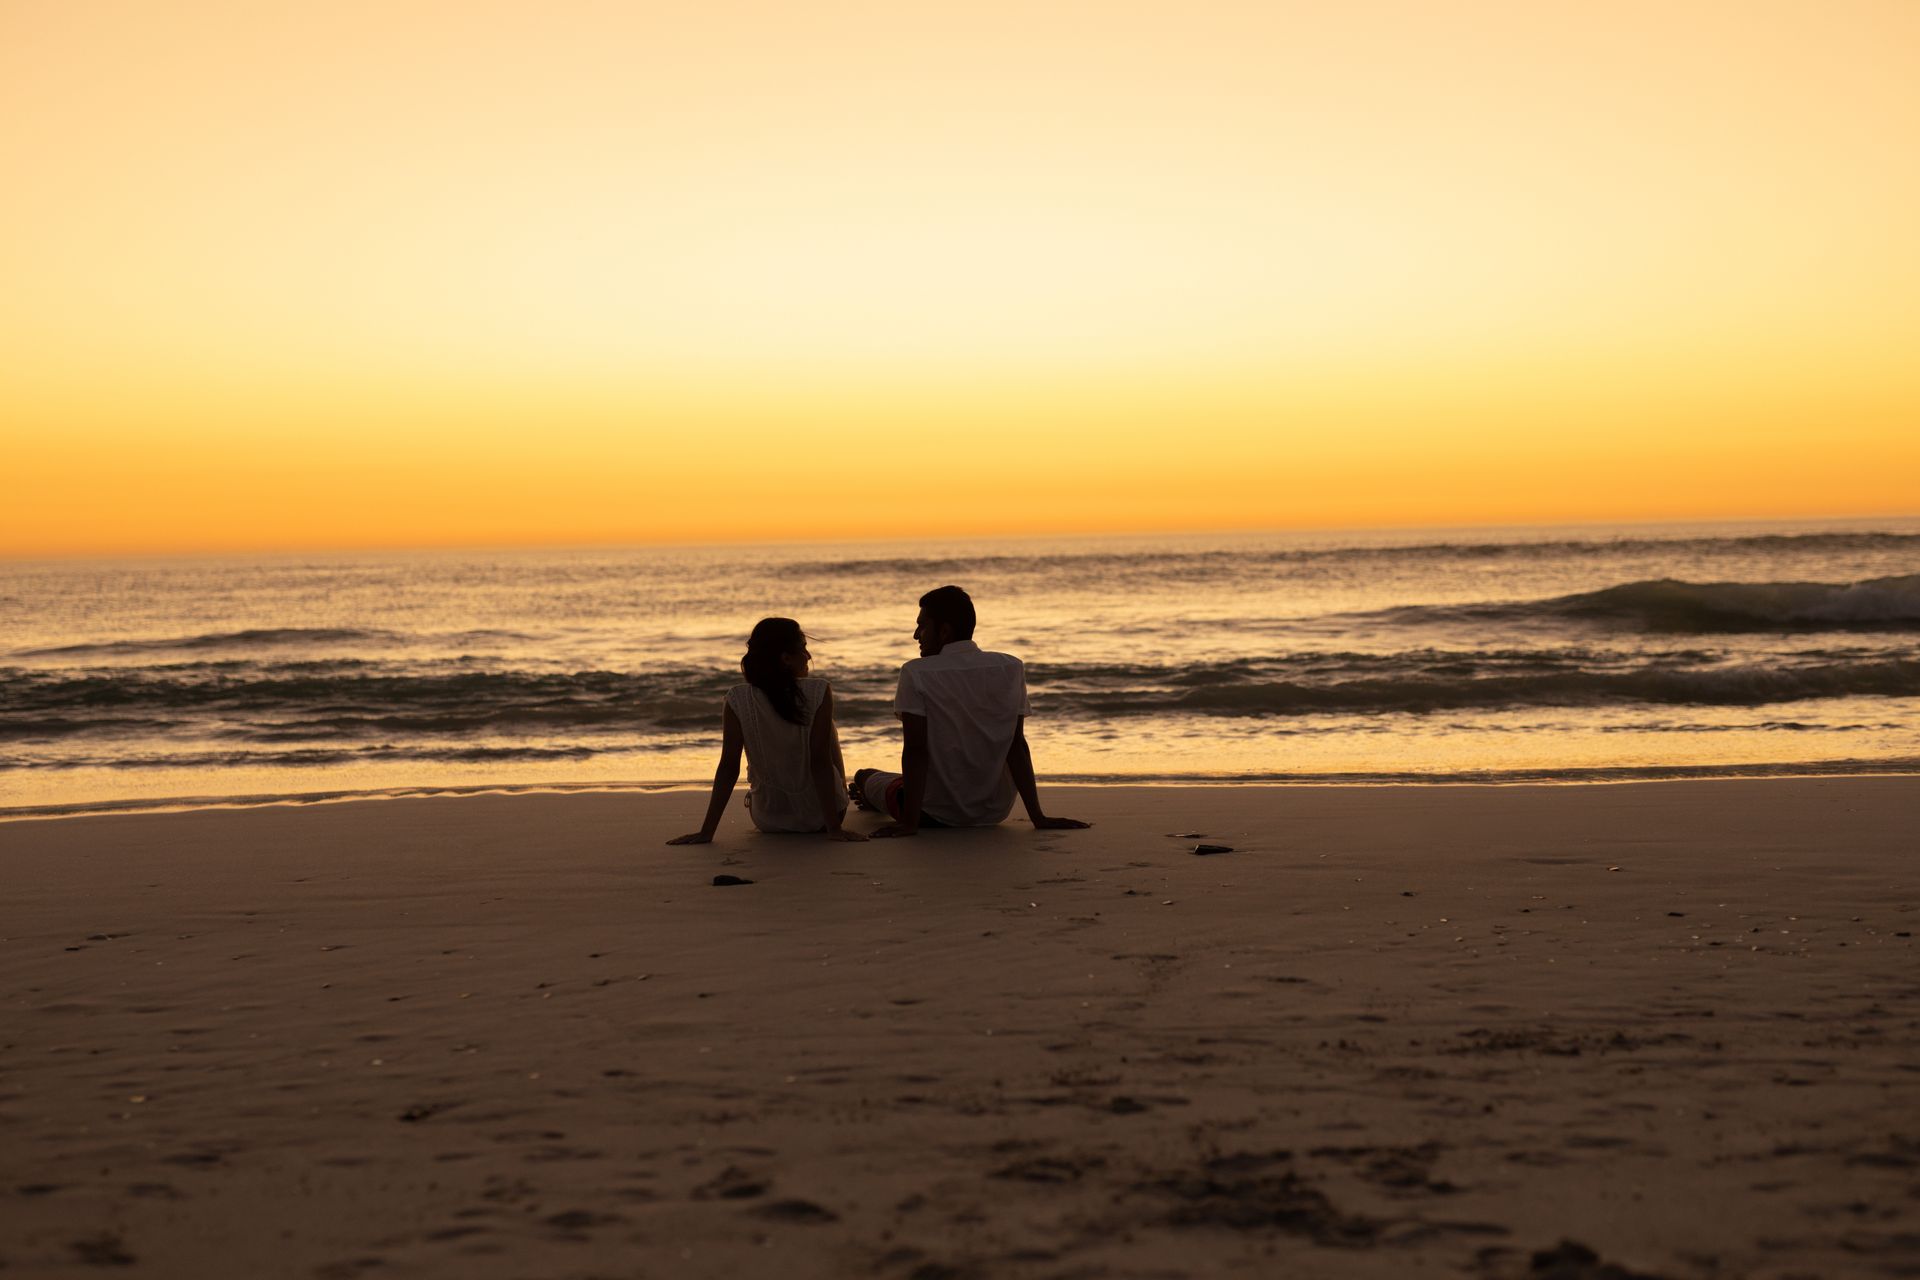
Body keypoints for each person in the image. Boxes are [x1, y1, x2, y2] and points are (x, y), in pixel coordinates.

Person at [851, 585, 1089, 838]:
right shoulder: (1010, 667)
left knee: (865, 776)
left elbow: (915, 750)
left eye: (922, 626)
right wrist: (1038, 817)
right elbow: (1016, 746)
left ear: (944, 631)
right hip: (993, 812)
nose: (915, 635)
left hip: (931, 813)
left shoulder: (916, 672)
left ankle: (869, 791)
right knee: (897, 779)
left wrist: (909, 823)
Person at [668, 618, 866, 844]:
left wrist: (706, 832)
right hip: (822, 817)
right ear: (786, 658)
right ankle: (841, 794)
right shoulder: (819, 690)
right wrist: (834, 829)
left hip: (769, 818)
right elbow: (819, 758)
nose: (808, 656)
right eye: (803, 648)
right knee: (824, 730)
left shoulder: (738, 697)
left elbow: (728, 767)